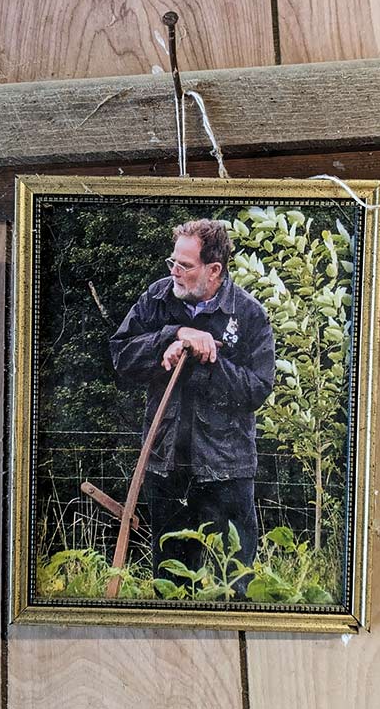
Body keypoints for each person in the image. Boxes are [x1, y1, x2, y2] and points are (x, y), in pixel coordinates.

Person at [109, 219, 275, 596]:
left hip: (226, 471)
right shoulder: (157, 298)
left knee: (232, 586)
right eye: (173, 262)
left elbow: (258, 389)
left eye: (185, 266)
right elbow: (120, 356)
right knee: (169, 585)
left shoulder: (248, 314)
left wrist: (207, 359)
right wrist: (173, 335)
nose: (174, 272)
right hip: (166, 465)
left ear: (214, 270)